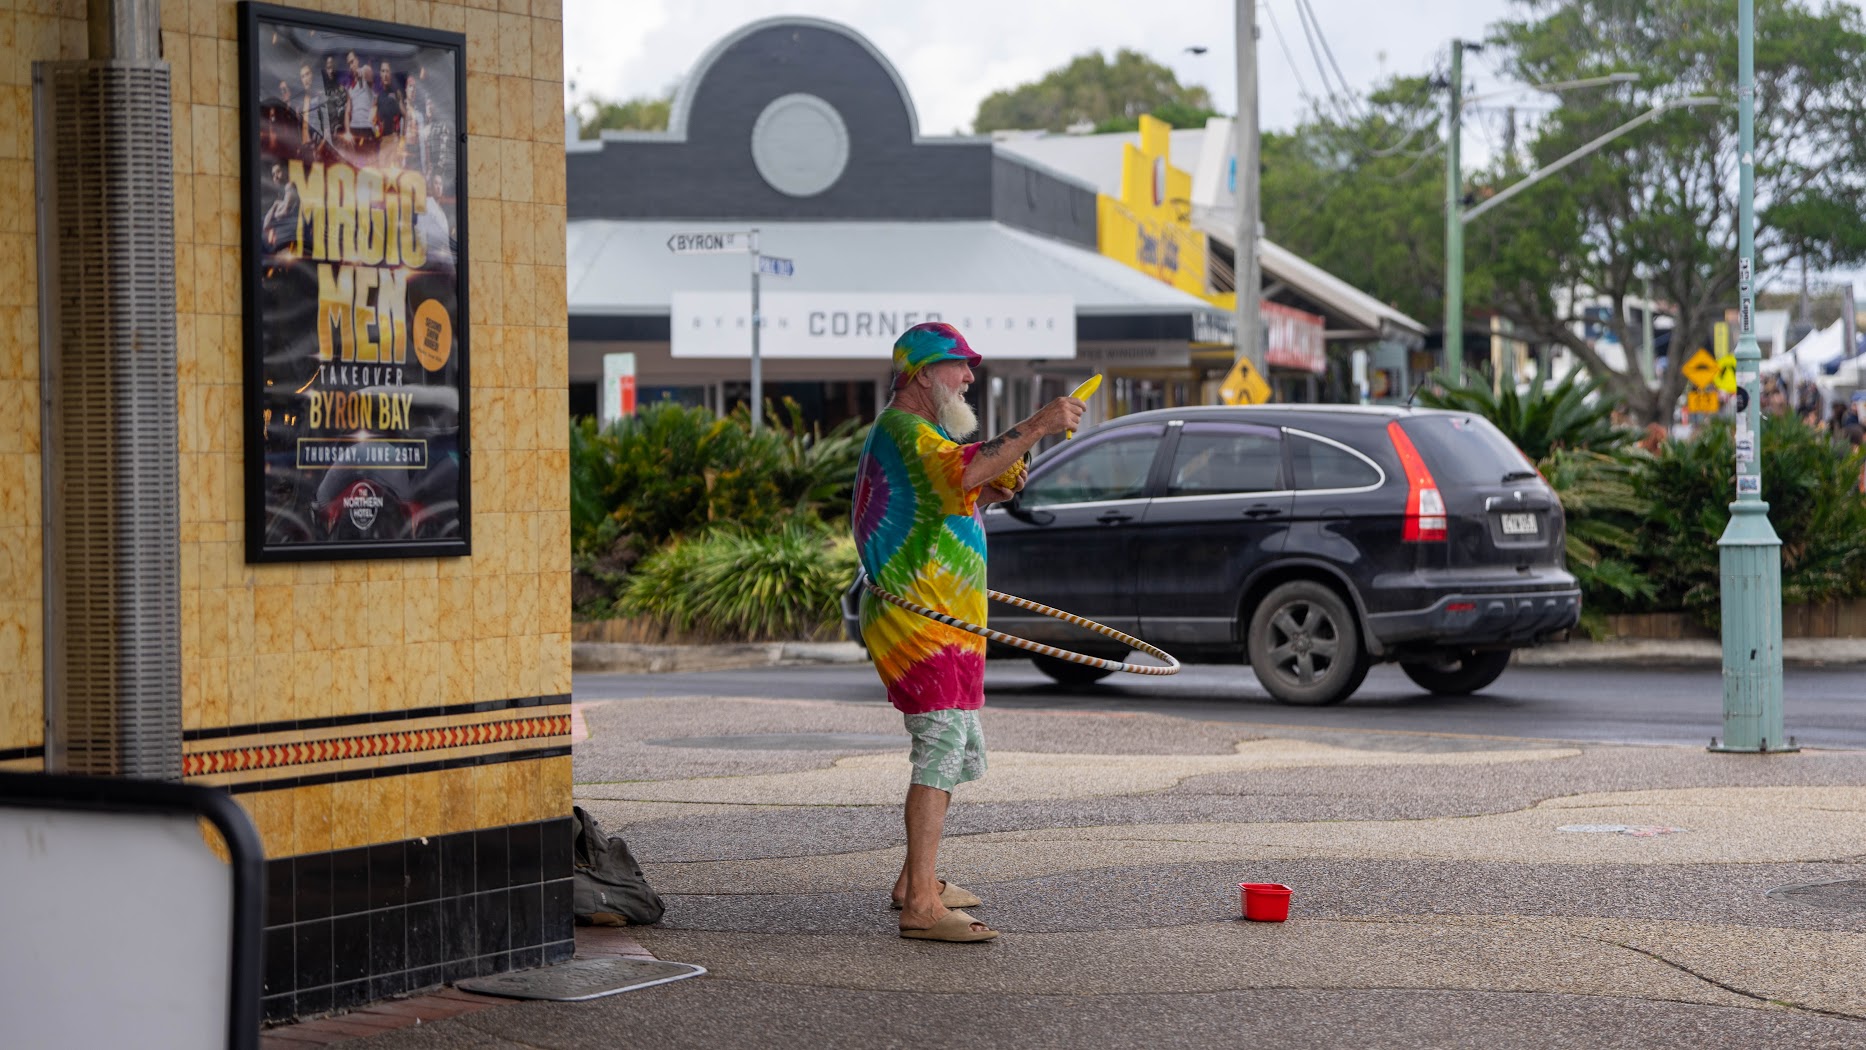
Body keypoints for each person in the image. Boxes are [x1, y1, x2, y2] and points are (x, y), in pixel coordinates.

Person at [850, 322, 1083, 944]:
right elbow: (964, 468)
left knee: (957, 748)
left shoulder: (925, 433)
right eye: (959, 366)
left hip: (947, 620)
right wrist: (1037, 425)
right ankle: (921, 904)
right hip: (919, 621)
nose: (969, 378)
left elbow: (962, 483)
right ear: (923, 374)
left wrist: (997, 481)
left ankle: (913, 880)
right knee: (940, 744)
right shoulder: (905, 430)